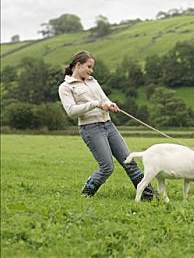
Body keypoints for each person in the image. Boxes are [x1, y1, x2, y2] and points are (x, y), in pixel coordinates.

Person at [58, 51, 155, 200]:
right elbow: (71, 111)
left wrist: (109, 104)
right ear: (78, 65)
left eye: (92, 67)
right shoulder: (66, 87)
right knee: (107, 167)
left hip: (108, 125)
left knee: (129, 161)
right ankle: (86, 193)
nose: (91, 70)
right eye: (89, 67)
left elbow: (103, 98)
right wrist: (96, 104)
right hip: (90, 128)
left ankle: (149, 196)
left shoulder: (92, 81)